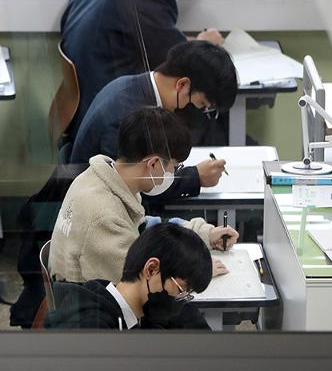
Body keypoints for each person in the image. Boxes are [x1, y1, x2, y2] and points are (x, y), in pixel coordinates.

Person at [49, 107, 238, 285]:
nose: (172, 174)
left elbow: (147, 229)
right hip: (95, 312)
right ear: (154, 163)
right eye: (173, 167)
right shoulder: (103, 215)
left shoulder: (104, 180)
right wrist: (195, 271)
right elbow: (144, 283)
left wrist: (202, 234)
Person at [60, 0, 221, 142]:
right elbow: (179, 64)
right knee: (203, 109)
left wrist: (195, 41)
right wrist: (207, 45)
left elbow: (155, 38)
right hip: (115, 122)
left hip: (83, 111)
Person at [69, 41, 238, 204]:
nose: (194, 108)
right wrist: (195, 177)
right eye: (200, 104)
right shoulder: (129, 115)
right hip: (96, 207)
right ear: (182, 85)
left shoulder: (134, 86)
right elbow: (136, 187)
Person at [46, 223, 213, 330]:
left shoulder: (138, 316)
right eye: (180, 289)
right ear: (151, 269)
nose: (180, 299)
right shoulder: (91, 327)